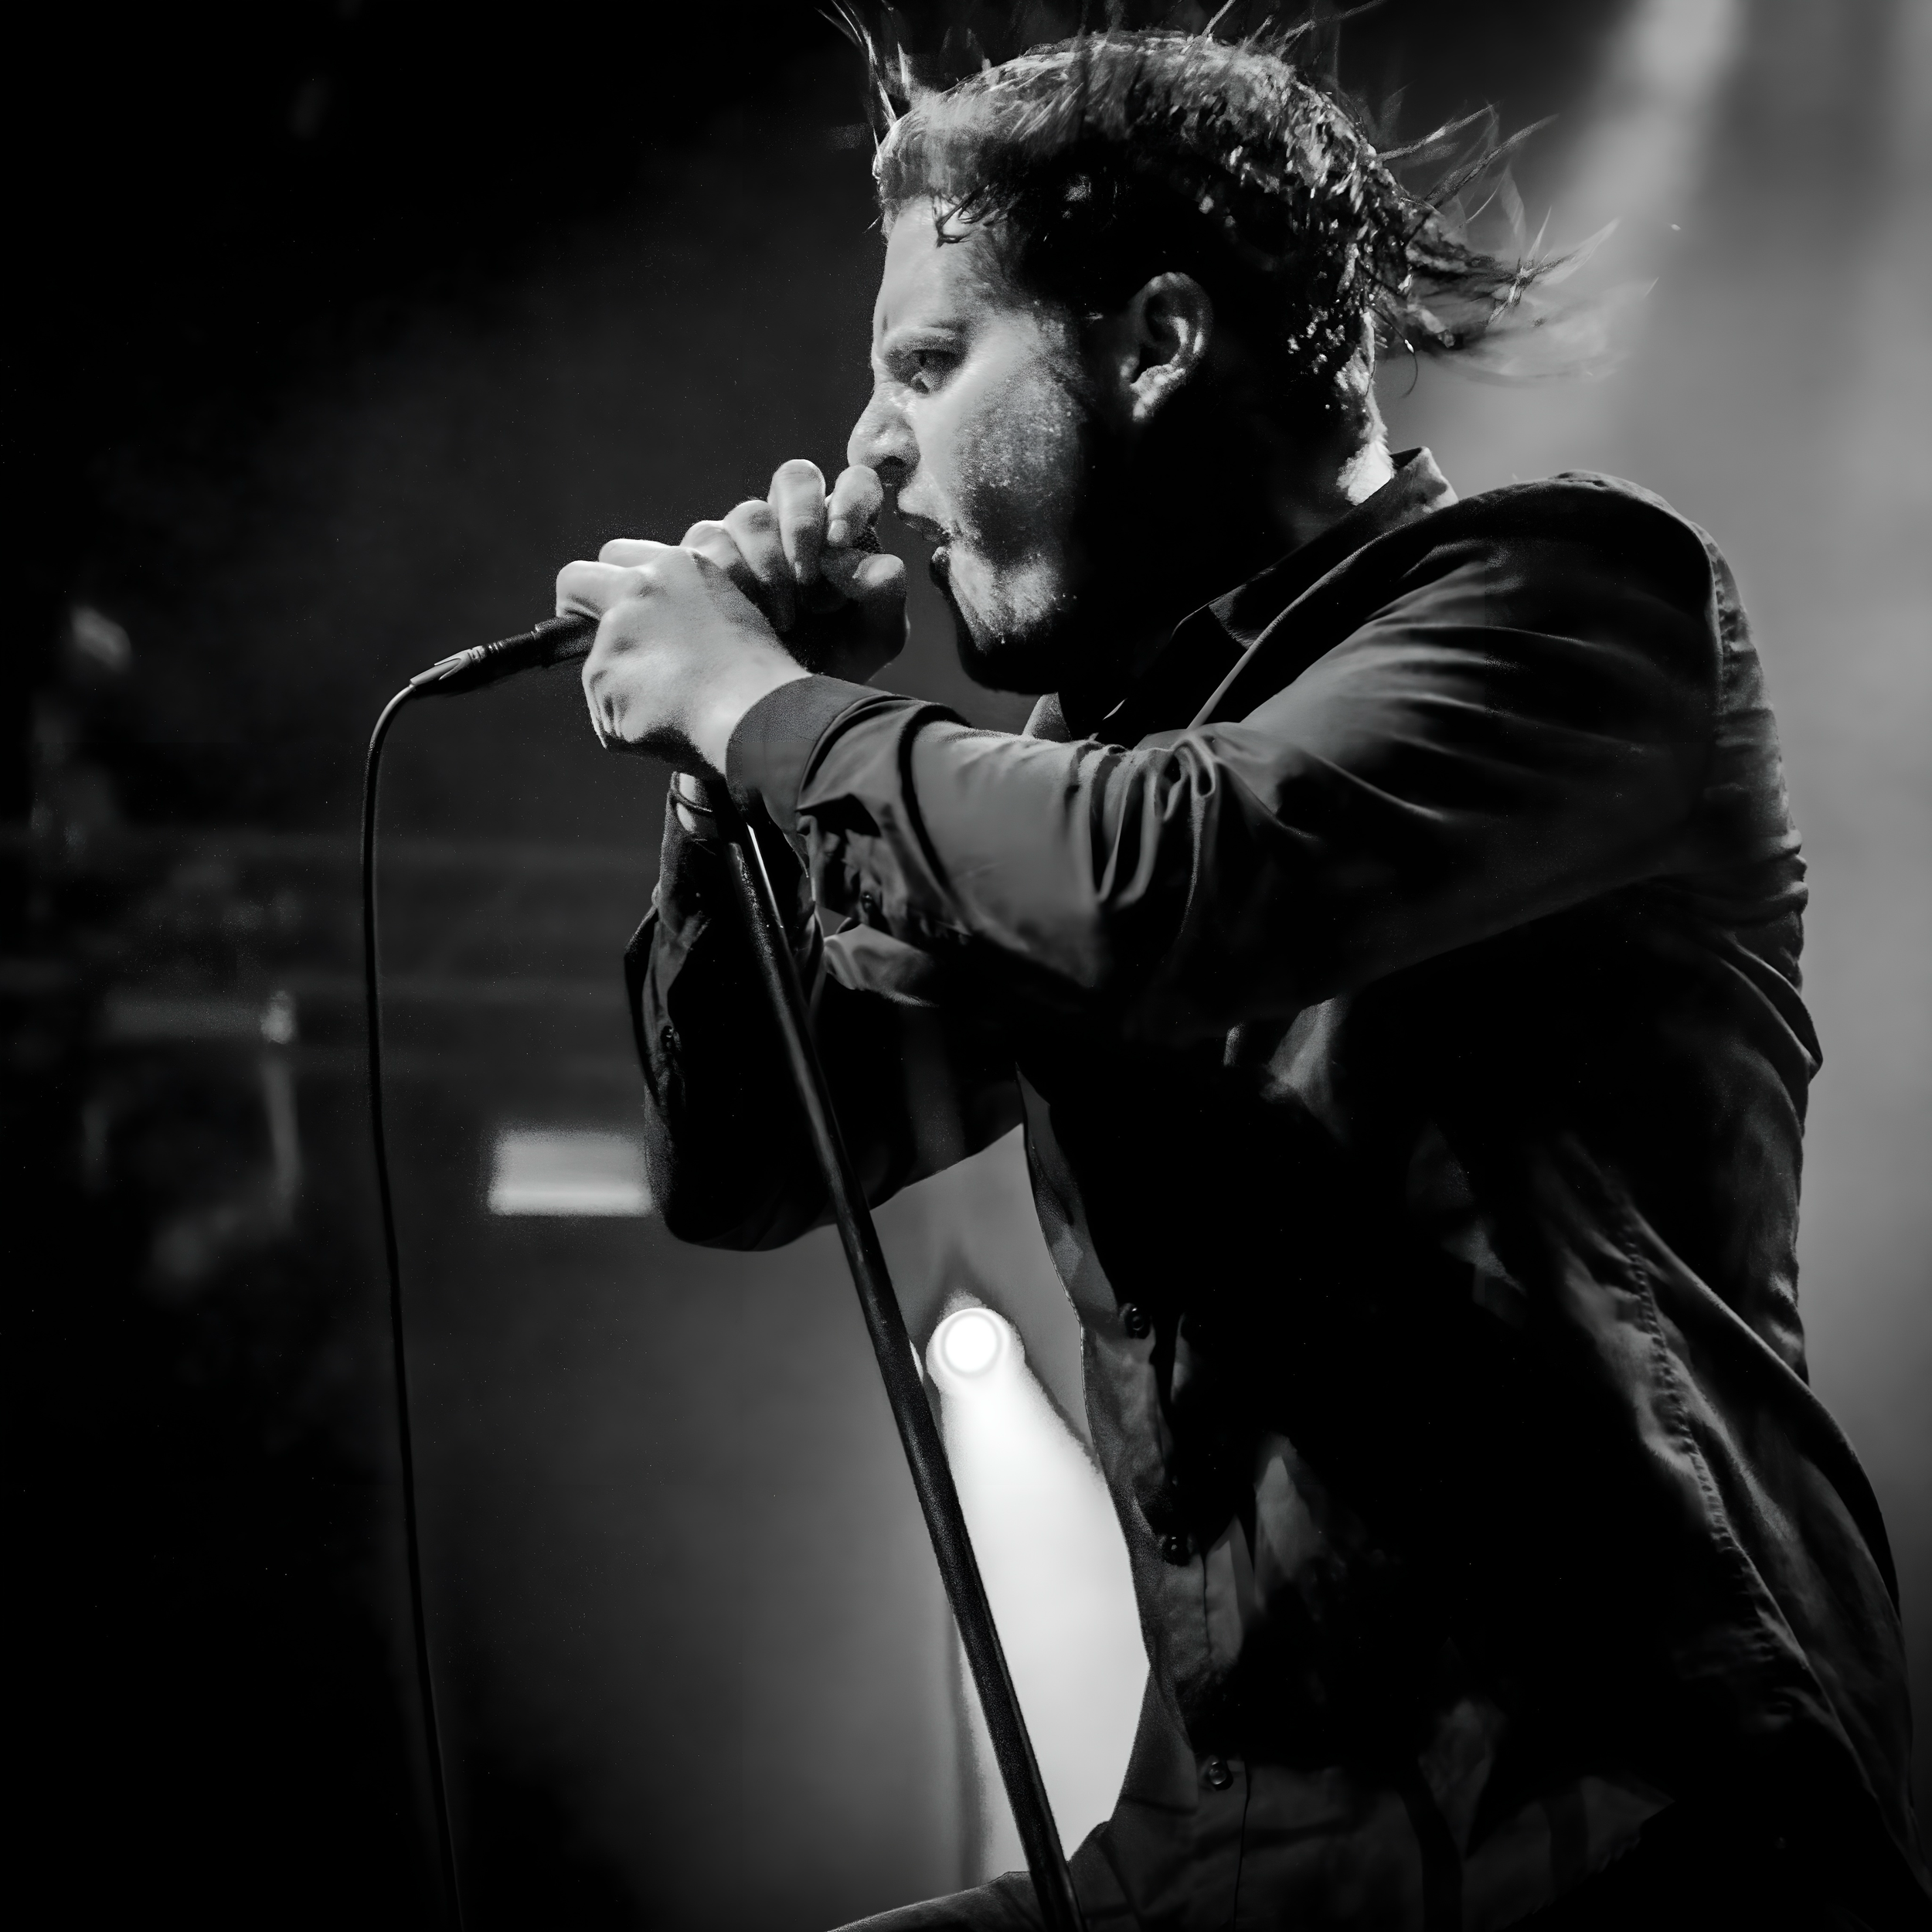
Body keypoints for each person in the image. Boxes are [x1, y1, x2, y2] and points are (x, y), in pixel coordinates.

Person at [555, 30, 1928, 1931]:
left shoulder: (1566, 599)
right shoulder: (1060, 787)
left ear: (1156, 340)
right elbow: (748, 1159)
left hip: (1624, 1809)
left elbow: (1159, 884)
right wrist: (725, 789)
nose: (869, 446)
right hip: (1241, 1847)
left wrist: (760, 703)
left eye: (928, 365)